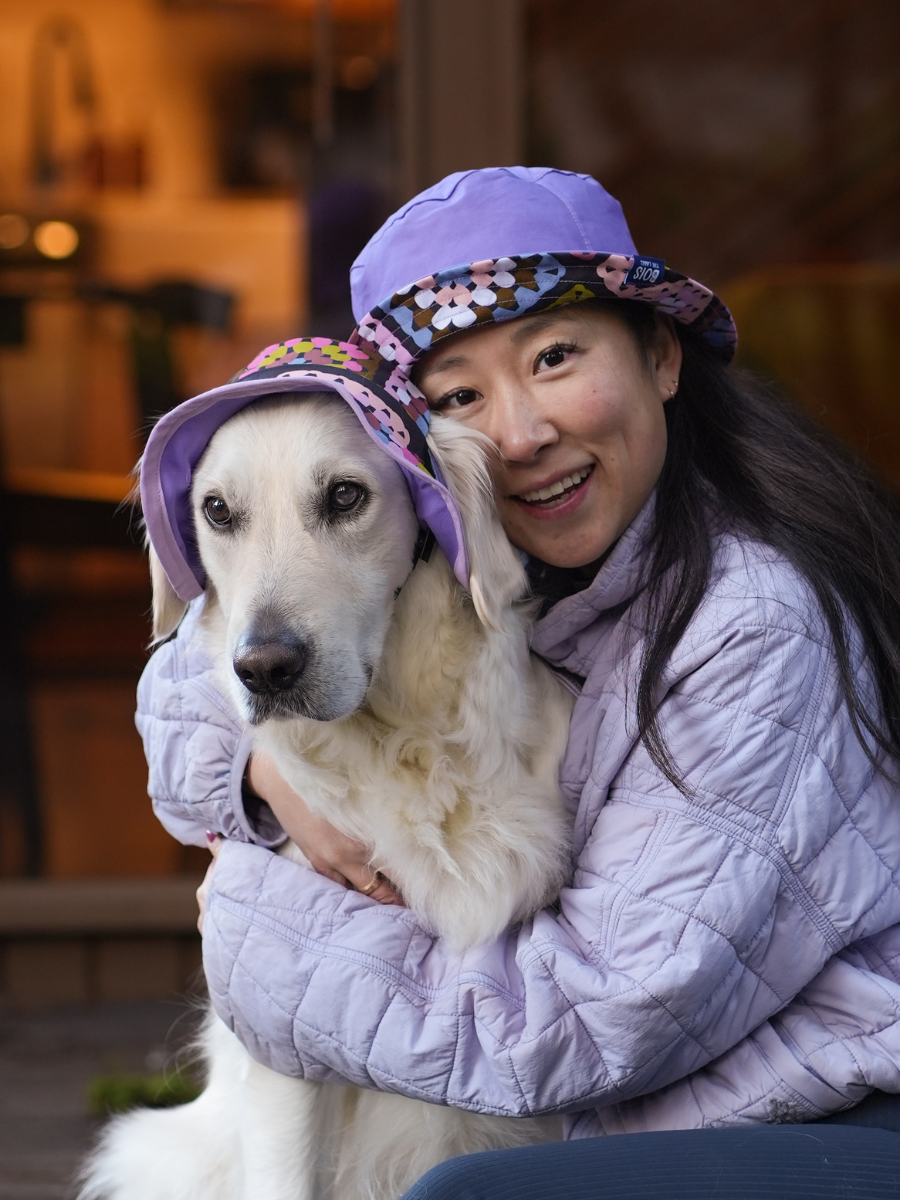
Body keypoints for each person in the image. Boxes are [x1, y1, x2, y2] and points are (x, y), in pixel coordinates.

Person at [139, 167, 900, 1198]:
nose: (519, 435)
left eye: (554, 358)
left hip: (828, 1119)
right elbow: (197, 659)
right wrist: (258, 779)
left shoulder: (751, 621)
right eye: (460, 396)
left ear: (661, 355)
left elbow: (597, 1020)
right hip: (654, 1120)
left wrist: (255, 933)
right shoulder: (493, 571)